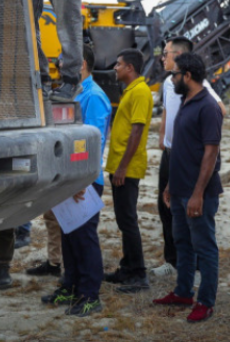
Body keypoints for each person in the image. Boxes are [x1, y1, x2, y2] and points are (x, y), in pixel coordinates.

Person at [38, 44, 111, 316]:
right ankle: (70, 286)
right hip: (68, 179)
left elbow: (94, 140)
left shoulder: (94, 96)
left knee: (84, 238)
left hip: (84, 181)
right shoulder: (74, 93)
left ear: (80, 63)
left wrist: (82, 180)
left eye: (64, 61)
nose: (58, 64)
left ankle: (90, 295)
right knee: (69, 235)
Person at [155, 52, 222, 323]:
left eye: (175, 74)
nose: (171, 78)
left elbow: (211, 153)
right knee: (182, 243)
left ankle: (205, 301)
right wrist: (171, 184)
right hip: (180, 189)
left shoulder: (208, 106)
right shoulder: (186, 100)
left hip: (198, 194)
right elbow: (180, 149)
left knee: (204, 247)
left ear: (188, 76)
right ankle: (183, 292)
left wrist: (197, 194)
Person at [103, 49, 153, 293]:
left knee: (128, 221)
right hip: (120, 166)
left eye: (118, 64)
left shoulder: (141, 92)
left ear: (130, 68)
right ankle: (127, 267)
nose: (115, 68)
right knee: (124, 221)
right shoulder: (132, 91)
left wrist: (122, 167)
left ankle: (139, 274)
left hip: (128, 168)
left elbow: (137, 131)